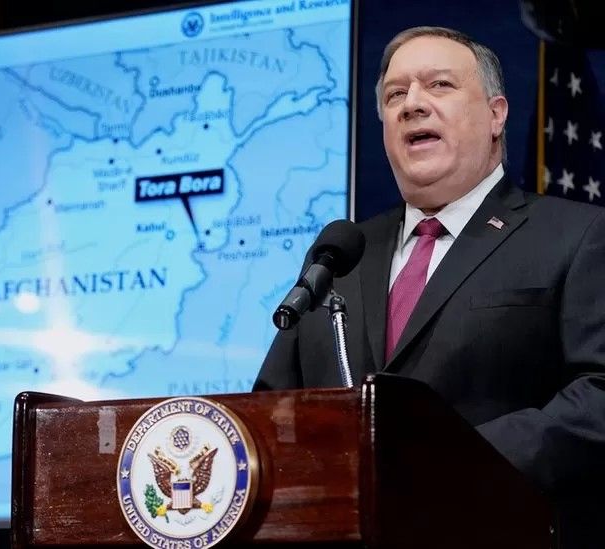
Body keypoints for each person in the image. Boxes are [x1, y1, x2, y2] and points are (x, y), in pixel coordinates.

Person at [254, 26, 605, 547]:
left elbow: (598, 394)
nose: (412, 104)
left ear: (496, 115)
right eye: (395, 94)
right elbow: (272, 410)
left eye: (439, 85)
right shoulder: (340, 254)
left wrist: (455, 460)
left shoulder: (577, 235)